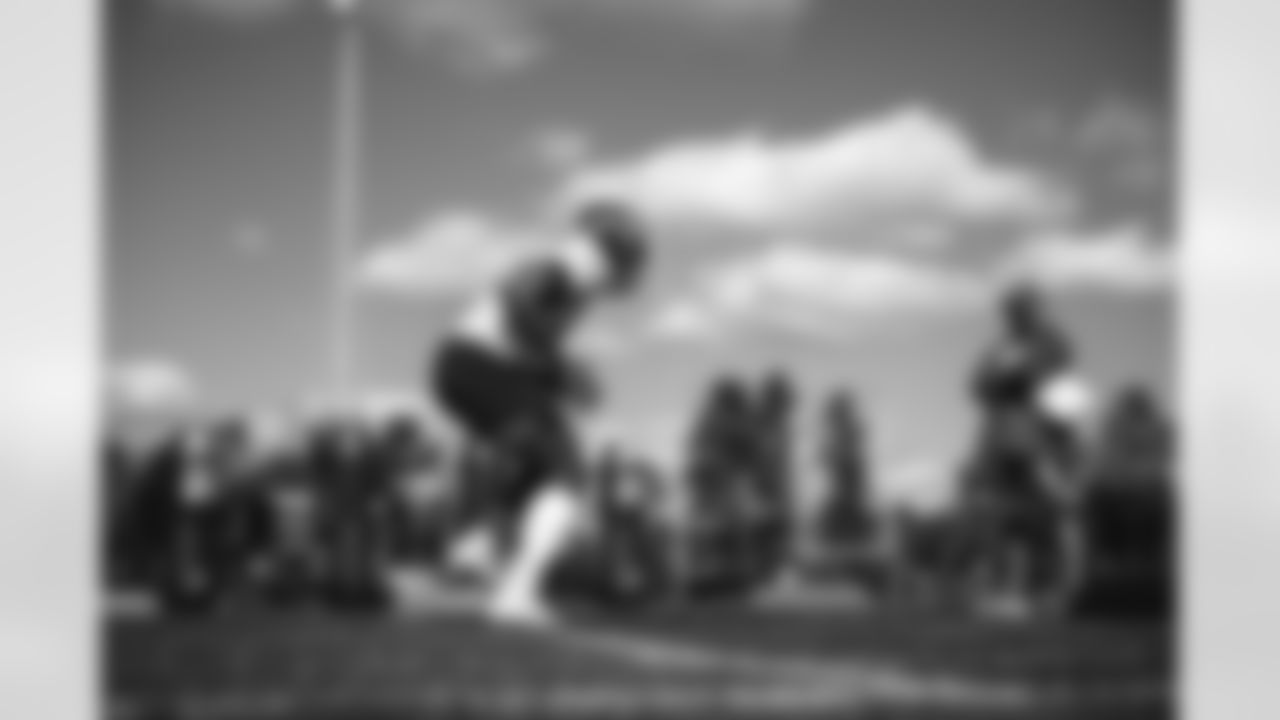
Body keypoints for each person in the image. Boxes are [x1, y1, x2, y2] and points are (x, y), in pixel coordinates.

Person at [429, 200, 649, 626]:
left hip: (464, 365)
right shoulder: (575, 267)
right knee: (567, 471)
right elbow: (522, 302)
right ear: (613, 251)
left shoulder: (571, 274)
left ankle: (476, 541)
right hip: (480, 363)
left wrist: (558, 375)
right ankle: (510, 584)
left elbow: (529, 331)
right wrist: (563, 369)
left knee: (535, 462)